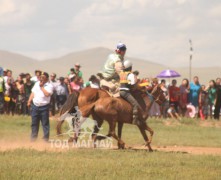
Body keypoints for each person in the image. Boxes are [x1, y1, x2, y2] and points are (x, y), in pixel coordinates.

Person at [27, 72, 53, 142]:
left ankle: (45, 140)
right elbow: (33, 93)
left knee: (45, 124)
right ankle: (33, 139)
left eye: (43, 77)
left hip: (44, 107)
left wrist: (41, 87)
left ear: (47, 79)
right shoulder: (36, 84)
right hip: (35, 106)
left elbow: (47, 94)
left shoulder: (49, 86)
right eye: (41, 77)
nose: (41, 78)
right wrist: (29, 101)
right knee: (34, 124)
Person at [119, 60, 141, 125]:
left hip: (119, 91)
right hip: (125, 92)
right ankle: (134, 120)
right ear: (130, 67)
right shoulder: (130, 74)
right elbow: (132, 84)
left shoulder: (121, 73)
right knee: (135, 104)